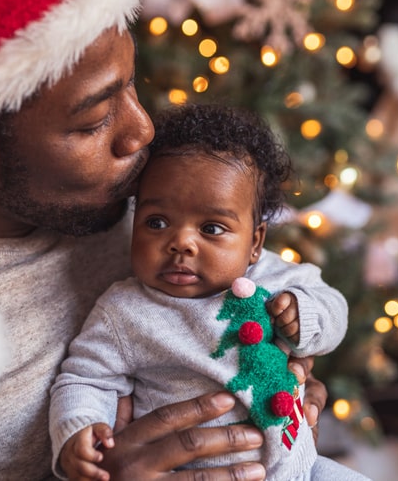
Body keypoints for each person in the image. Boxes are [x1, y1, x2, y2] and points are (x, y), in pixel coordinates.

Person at [0, 0, 327, 479]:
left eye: (131, 85)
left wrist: (290, 376)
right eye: (94, 119)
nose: (142, 131)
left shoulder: (140, 210)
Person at [50, 104, 365, 481]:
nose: (181, 242)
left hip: (300, 467)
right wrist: (79, 430)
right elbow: (86, 378)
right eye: (157, 222)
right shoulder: (125, 311)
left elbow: (335, 308)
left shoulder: (279, 277)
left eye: (212, 228)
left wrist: (305, 314)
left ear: (255, 242)